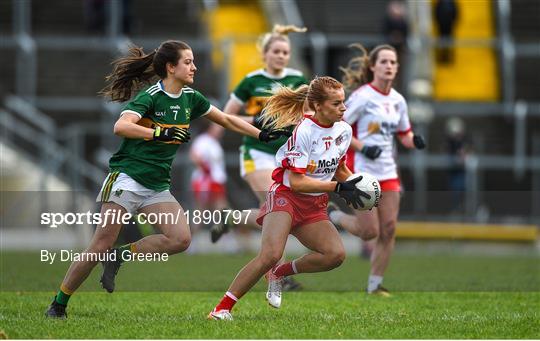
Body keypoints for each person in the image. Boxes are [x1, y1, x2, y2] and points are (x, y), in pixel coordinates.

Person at [45, 40, 289, 318]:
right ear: (171, 67)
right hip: (127, 178)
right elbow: (121, 126)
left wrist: (261, 134)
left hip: (156, 185)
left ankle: (118, 257)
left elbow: (227, 120)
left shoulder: (191, 98)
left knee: (180, 239)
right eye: (188, 62)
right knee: (100, 244)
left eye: (194, 61)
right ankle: (58, 303)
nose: (194, 67)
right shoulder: (150, 96)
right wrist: (159, 133)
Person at [208, 76, 372, 320]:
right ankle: (221, 309)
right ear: (318, 106)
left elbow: (339, 169)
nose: (344, 108)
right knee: (270, 255)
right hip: (287, 196)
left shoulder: (344, 130)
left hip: (314, 205)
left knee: (335, 255)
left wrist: (357, 185)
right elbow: (297, 182)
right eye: (337, 103)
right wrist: (338, 188)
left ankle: (280, 273)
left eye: (343, 102)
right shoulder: (303, 131)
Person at [209, 24, 309, 293]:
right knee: (277, 209)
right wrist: (255, 119)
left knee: (275, 214)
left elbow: (309, 115)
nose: (281, 56)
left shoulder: (298, 79)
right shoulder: (251, 81)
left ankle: (230, 218)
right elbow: (226, 117)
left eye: (285, 52)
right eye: (276, 51)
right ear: (264, 54)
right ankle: (279, 276)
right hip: (256, 153)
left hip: (285, 156)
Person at [328, 44, 426, 296]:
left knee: (389, 228)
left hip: (388, 172)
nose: (389, 66)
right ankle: (334, 216)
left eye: (393, 62)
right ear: (373, 66)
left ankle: (375, 285)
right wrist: (361, 147)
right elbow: (338, 125)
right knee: (369, 231)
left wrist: (414, 141)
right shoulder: (362, 96)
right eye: (384, 61)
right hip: (360, 169)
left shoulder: (398, 100)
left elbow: (404, 133)